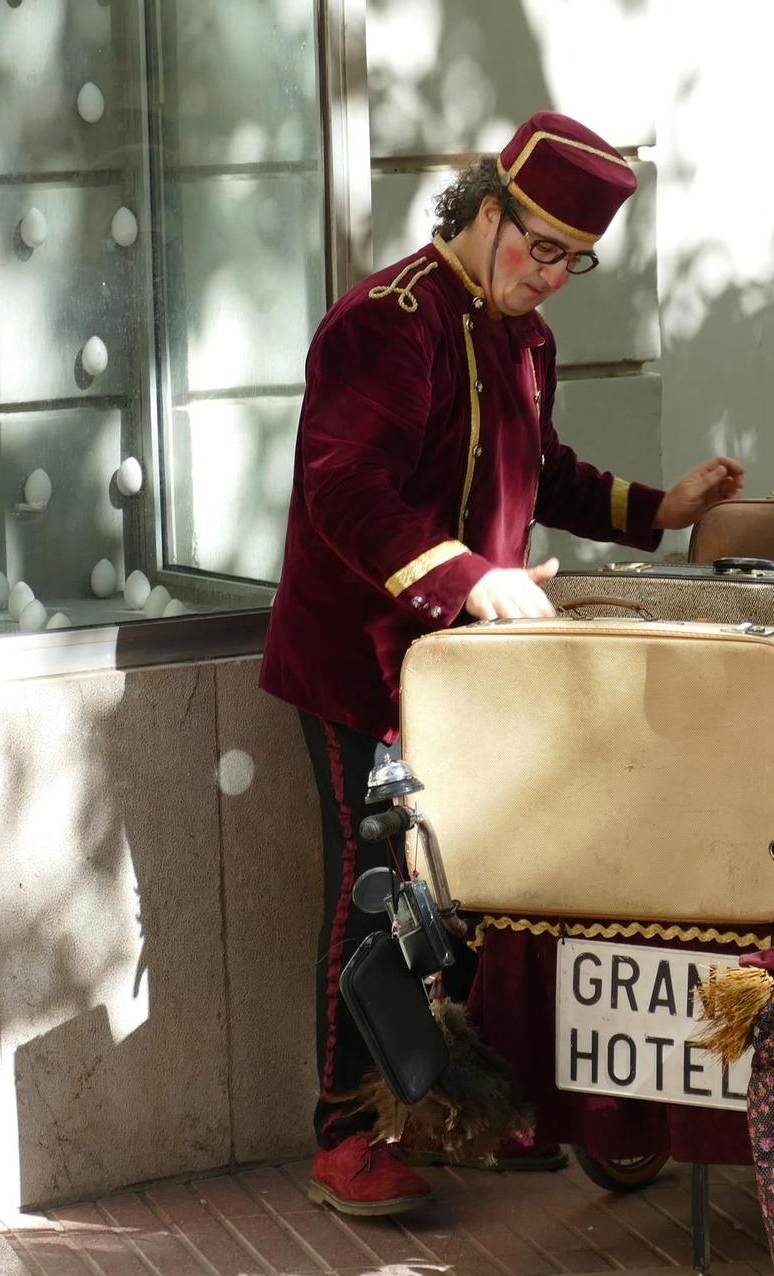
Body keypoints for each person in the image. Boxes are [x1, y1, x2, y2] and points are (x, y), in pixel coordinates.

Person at [259, 111, 744, 1216]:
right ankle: (343, 1134)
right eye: (541, 248)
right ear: (487, 214)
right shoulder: (383, 325)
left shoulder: (523, 337)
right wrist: (467, 576)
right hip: (362, 663)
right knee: (370, 888)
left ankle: (468, 1108)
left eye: (577, 261)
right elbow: (343, 492)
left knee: (494, 882)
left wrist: (657, 510)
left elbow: (545, 471)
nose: (554, 277)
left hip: (473, 673)